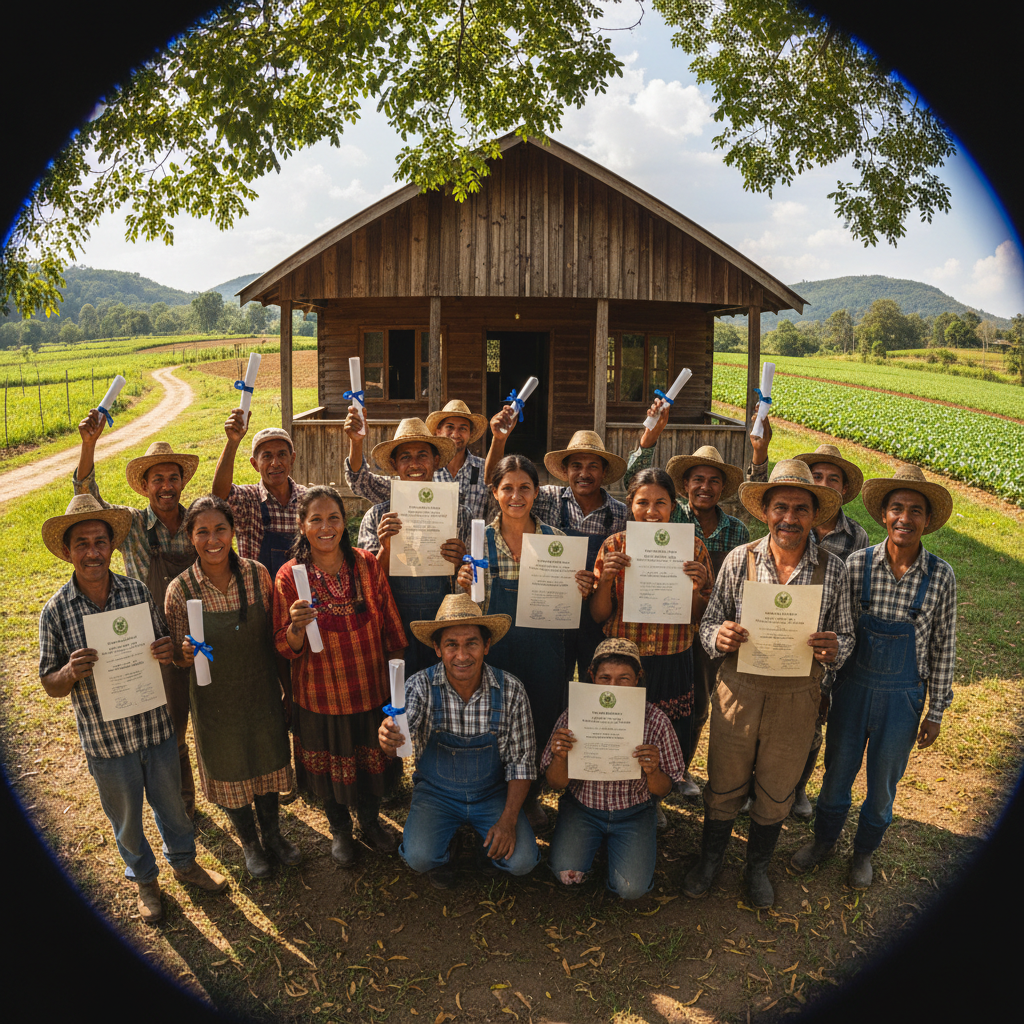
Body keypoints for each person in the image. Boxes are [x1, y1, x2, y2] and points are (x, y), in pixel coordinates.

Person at [38, 494, 227, 925]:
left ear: (111, 546)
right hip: (106, 740)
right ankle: (145, 879)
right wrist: (69, 671)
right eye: (82, 543)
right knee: (125, 817)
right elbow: (49, 684)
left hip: (153, 726)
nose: (93, 552)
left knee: (172, 806)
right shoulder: (56, 611)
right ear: (67, 552)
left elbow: (166, 647)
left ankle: (185, 863)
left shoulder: (135, 591)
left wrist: (166, 650)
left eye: (100, 542)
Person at [685, 460, 855, 909]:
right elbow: (709, 621)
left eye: (801, 509)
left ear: (814, 516)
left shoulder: (833, 570)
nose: (790, 518)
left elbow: (848, 636)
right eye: (781, 507)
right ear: (766, 513)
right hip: (737, 691)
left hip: (797, 699)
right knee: (724, 781)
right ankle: (711, 859)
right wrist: (717, 636)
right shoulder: (740, 560)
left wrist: (834, 648)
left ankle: (756, 866)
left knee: (778, 786)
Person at [791, 464, 957, 890]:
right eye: (896, 508)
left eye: (915, 510)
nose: (905, 518)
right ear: (883, 515)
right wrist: (826, 689)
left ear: (928, 520)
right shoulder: (857, 564)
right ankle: (824, 841)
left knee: (883, 784)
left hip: (904, 699)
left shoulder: (940, 576)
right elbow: (842, 632)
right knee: (836, 773)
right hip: (852, 689)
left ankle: (863, 852)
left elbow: (943, 647)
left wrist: (935, 710)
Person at [454, 454, 592, 831]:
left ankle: (528, 797)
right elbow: (469, 605)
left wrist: (580, 588)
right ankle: (494, 797)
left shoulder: (556, 542)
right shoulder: (479, 540)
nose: (516, 496)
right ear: (494, 492)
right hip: (497, 647)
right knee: (497, 721)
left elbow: (571, 606)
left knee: (540, 718)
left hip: (545, 649)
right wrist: (463, 582)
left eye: (525, 488)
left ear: (536, 493)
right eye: (508, 488)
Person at [164, 496, 299, 878]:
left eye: (220, 529)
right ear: (191, 538)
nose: (213, 539)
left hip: (260, 692)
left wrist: (286, 689)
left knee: (267, 761)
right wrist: (183, 653)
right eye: (202, 531)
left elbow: (275, 637)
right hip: (214, 699)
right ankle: (250, 844)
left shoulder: (257, 575)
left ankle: (273, 835)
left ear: (233, 530)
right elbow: (176, 655)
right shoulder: (180, 589)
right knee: (231, 770)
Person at [74, 413, 199, 818]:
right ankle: (184, 802)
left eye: (172, 478)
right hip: (155, 641)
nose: (166, 486)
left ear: (182, 482)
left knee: (213, 717)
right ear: (145, 486)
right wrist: (89, 444)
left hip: (201, 632)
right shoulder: (129, 525)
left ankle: (226, 788)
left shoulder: (197, 523)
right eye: (157, 479)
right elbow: (86, 494)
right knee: (171, 729)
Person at [275, 485, 408, 867]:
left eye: (333, 517)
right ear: (302, 526)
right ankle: (340, 831)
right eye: (315, 519)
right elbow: (284, 647)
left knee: (370, 768)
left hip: (369, 691)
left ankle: (370, 822)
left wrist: (395, 691)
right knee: (332, 774)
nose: (326, 527)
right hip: (320, 696)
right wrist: (296, 627)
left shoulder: (366, 564)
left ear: (345, 522)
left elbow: (392, 630)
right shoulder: (290, 577)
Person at [378, 593, 540, 888]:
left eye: (472, 643)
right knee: (419, 857)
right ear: (437, 649)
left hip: (491, 794)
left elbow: (522, 764)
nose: (462, 655)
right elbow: (404, 723)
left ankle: (485, 845)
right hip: (437, 794)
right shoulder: (420, 685)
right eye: (451, 645)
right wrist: (390, 735)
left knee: (523, 862)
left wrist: (507, 821)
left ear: (487, 646)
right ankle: (446, 849)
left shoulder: (511, 690)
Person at [589, 467, 714, 828]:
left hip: (673, 656)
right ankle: (618, 793)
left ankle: (653, 797)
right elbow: (600, 615)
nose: (651, 511)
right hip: (624, 661)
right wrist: (606, 580)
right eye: (642, 502)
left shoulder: (691, 548)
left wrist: (696, 588)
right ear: (630, 504)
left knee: (667, 732)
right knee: (622, 729)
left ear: (674, 506)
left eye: (660, 502)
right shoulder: (614, 546)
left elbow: (697, 617)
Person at [484, 409, 629, 686]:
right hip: (551, 609)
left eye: (593, 466)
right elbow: (499, 483)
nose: (584, 473)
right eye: (576, 465)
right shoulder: (547, 497)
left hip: (598, 615)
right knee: (553, 681)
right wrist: (498, 440)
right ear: (565, 470)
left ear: (605, 471)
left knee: (593, 682)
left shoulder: (621, 514)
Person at [541, 639, 686, 899]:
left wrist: (653, 771)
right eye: (605, 678)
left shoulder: (656, 720)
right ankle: (591, 843)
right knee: (566, 873)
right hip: (583, 808)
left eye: (624, 679)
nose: (613, 687)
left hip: (635, 813)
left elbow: (664, 789)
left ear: (638, 678)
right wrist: (560, 757)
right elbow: (555, 783)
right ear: (592, 677)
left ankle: (620, 847)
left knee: (631, 889)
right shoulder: (574, 715)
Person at [784, 443, 871, 818]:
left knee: (814, 718)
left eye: (832, 479)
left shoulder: (856, 537)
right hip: (783, 631)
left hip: (824, 639)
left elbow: (854, 597)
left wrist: (838, 643)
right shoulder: (790, 522)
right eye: (816, 477)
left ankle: (799, 786)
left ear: (842, 490)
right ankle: (764, 785)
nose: (824, 483)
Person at [357, 418, 470, 675]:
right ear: (395, 465)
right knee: (399, 695)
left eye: (422, 455)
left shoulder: (459, 514)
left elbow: (472, 583)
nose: (415, 464)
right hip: (394, 623)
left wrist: (462, 563)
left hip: (444, 622)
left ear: (436, 460)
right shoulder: (377, 517)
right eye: (405, 457)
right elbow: (366, 585)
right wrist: (385, 549)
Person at [344, 398, 492, 520]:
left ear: (470, 433)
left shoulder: (484, 469)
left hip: (472, 555)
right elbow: (361, 482)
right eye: (450, 427)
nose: (456, 433)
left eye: (463, 428)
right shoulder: (416, 476)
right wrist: (356, 442)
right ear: (437, 431)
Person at [212, 416, 307, 578]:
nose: (275, 463)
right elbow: (219, 496)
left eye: (282, 454)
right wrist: (233, 442)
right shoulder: (248, 499)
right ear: (255, 464)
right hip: (257, 596)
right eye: (267, 456)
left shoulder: (307, 499)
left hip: (298, 594)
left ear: (292, 459)